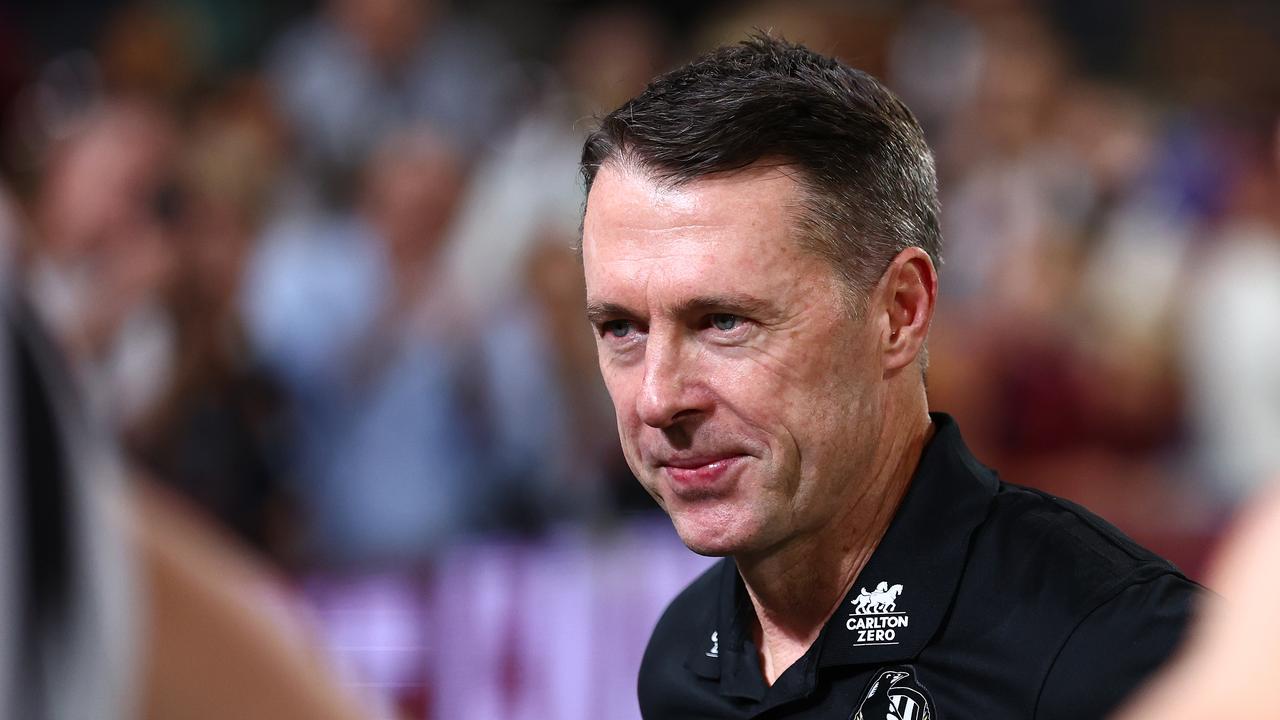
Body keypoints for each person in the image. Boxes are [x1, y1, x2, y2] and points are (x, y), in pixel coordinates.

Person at [577, 34, 1200, 719]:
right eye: (622, 329)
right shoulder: (683, 658)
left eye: (724, 321)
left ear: (900, 314)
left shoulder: (1122, 652)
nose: (659, 397)